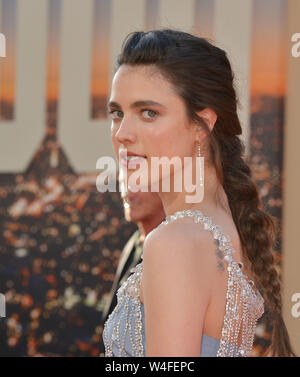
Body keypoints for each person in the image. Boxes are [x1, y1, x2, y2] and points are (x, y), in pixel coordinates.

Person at [102, 28, 296, 357]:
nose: (123, 133)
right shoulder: (224, 229)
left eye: (148, 113)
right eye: (117, 113)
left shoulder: (174, 242)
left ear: (201, 125)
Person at [99, 185, 165, 356]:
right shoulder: (134, 242)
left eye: (140, 181)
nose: (128, 190)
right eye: (125, 177)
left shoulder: (173, 250)